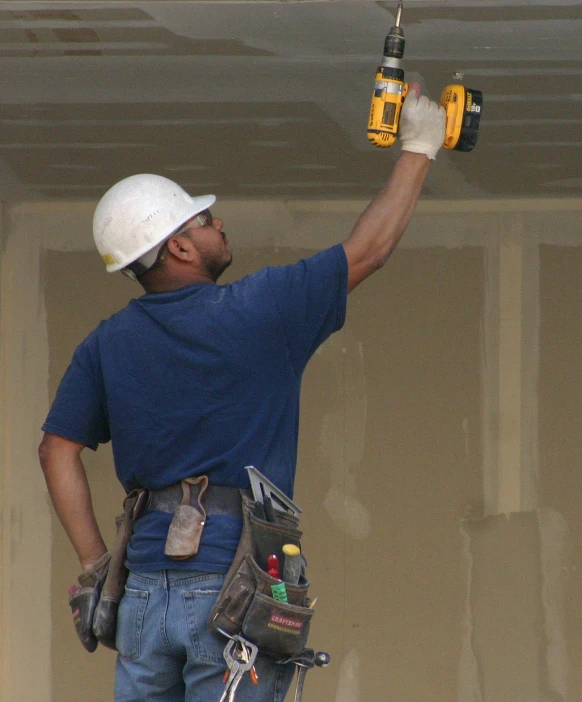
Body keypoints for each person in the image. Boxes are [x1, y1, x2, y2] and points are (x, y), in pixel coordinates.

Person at [39, 84, 445, 702]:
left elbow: (56, 451)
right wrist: (418, 148)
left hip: (143, 589)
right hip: (233, 588)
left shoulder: (106, 343)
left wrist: (99, 566)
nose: (218, 223)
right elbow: (369, 251)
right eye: (203, 221)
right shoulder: (258, 311)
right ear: (178, 246)